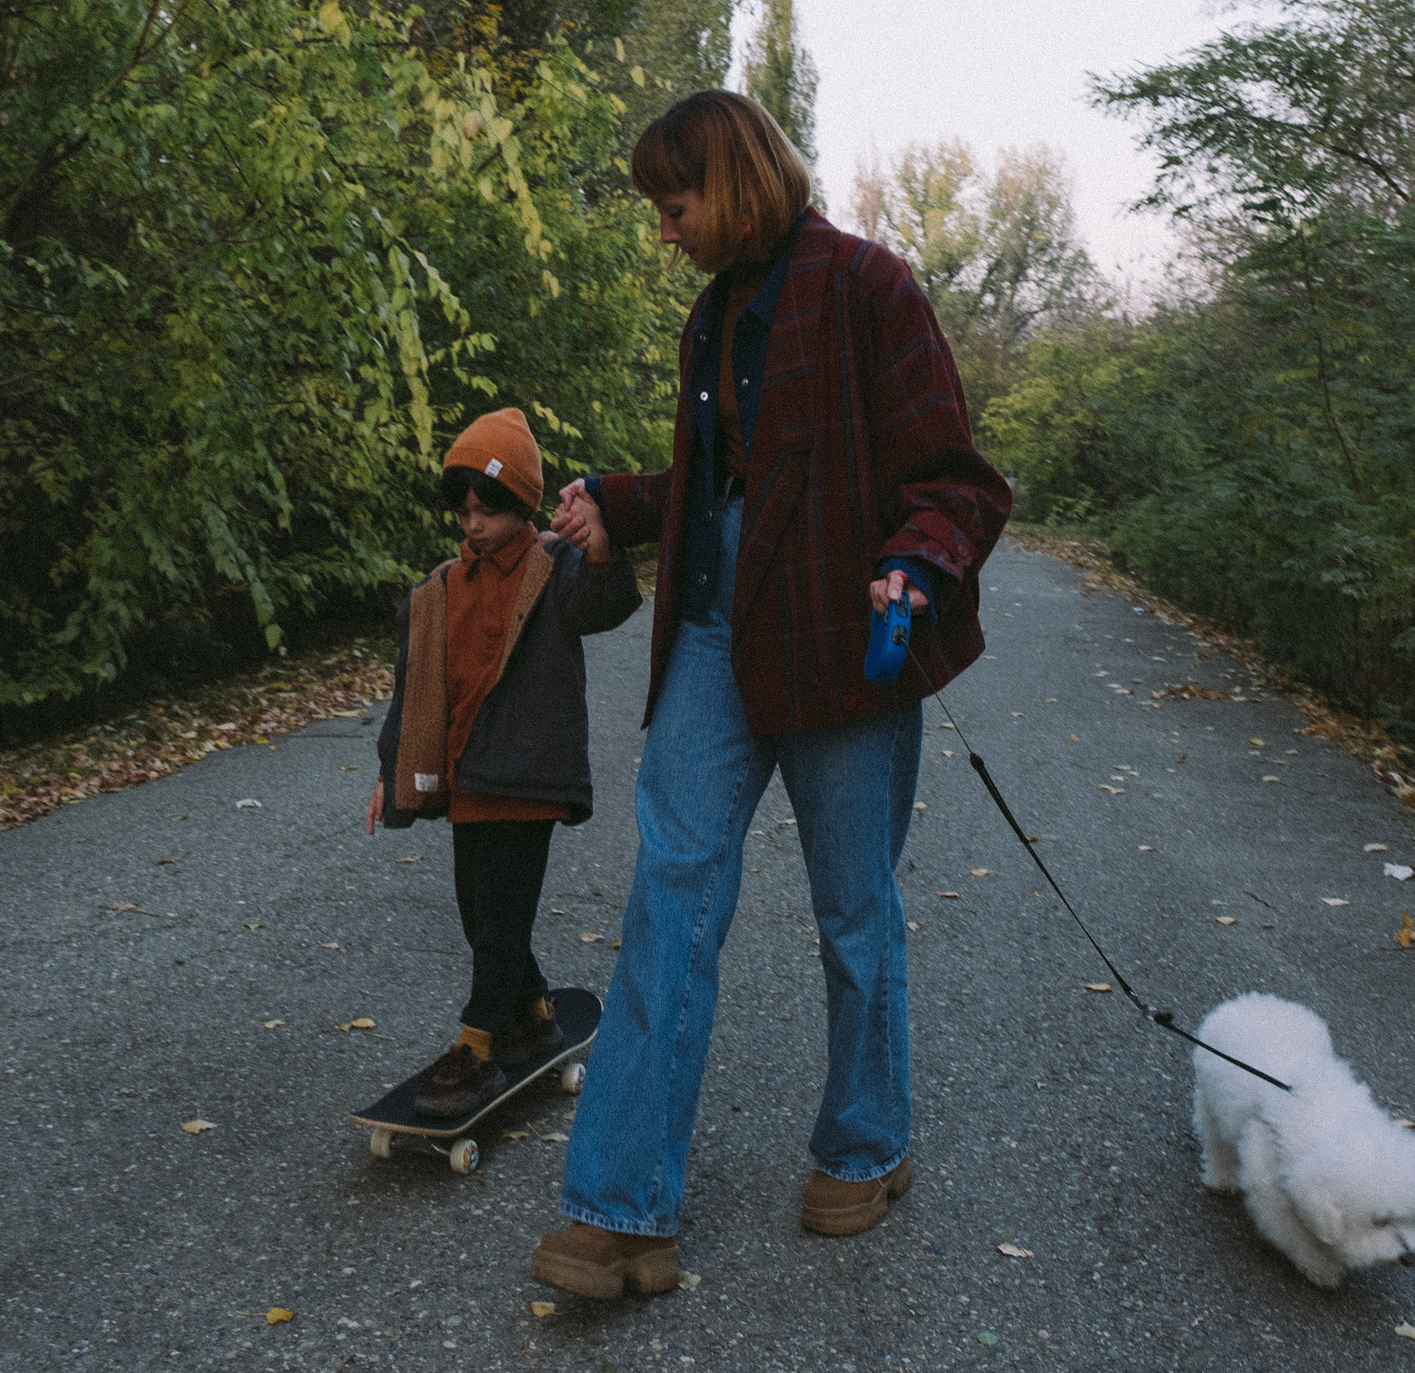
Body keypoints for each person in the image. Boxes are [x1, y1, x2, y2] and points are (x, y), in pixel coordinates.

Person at [532, 90, 1011, 1300]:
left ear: (736, 184)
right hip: (711, 625)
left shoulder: (867, 287)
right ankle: (622, 1210)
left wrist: (914, 563)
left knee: (853, 910)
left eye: (673, 204)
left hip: (843, 637)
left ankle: (866, 1145)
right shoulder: (713, 318)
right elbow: (725, 485)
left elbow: (955, 478)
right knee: (669, 900)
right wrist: (619, 503)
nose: (663, 231)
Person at [368, 407, 642, 1119]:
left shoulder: (555, 570)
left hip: (529, 776)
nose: (474, 525)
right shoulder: (442, 589)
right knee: (479, 914)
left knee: (501, 916)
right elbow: (414, 689)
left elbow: (607, 602)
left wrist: (602, 548)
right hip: (470, 777)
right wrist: (391, 772)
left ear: (522, 506)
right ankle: (532, 1015)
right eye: (464, 512)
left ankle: (478, 1045)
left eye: (487, 511)